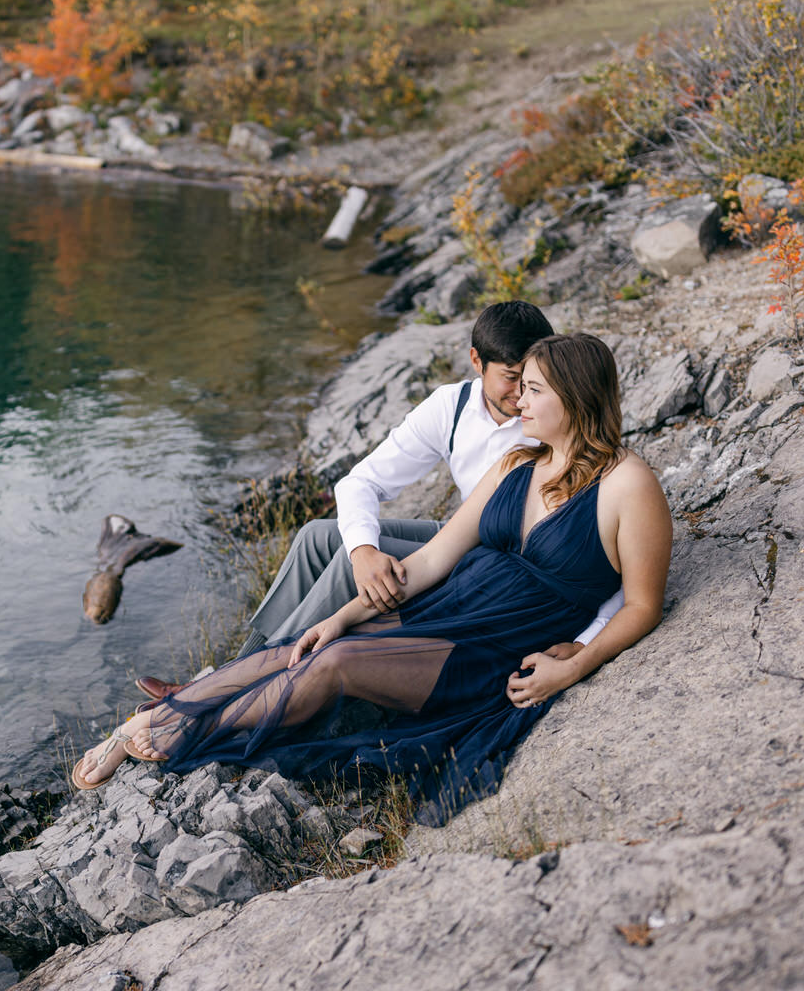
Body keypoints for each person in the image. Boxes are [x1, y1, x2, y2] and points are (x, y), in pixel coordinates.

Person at [74, 333, 672, 824]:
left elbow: (643, 605)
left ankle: (179, 730)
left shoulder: (627, 484)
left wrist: (573, 664)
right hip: (452, 606)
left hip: (493, 645)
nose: (520, 404)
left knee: (334, 666)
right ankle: (151, 723)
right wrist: (339, 615)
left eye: (535, 391)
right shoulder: (518, 463)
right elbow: (434, 560)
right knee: (313, 645)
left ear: (573, 396)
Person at [134, 301, 623, 705]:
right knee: (318, 539)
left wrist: (587, 639)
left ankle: (242, 687)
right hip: (461, 538)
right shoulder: (450, 408)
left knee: (359, 574)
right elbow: (358, 483)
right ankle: (238, 671)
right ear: (477, 362)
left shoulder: (551, 419)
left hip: (497, 567)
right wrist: (363, 549)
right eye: (512, 378)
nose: (521, 396)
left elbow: (597, 550)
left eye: (532, 381)